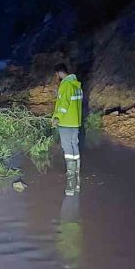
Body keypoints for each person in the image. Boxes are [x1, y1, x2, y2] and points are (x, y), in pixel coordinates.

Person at [51, 63, 83, 196]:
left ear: (59, 73)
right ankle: (76, 176)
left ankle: (70, 181)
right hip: (75, 121)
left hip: (66, 122)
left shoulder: (65, 85)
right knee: (74, 146)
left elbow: (63, 104)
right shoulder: (76, 85)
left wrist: (57, 118)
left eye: (56, 75)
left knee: (67, 148)